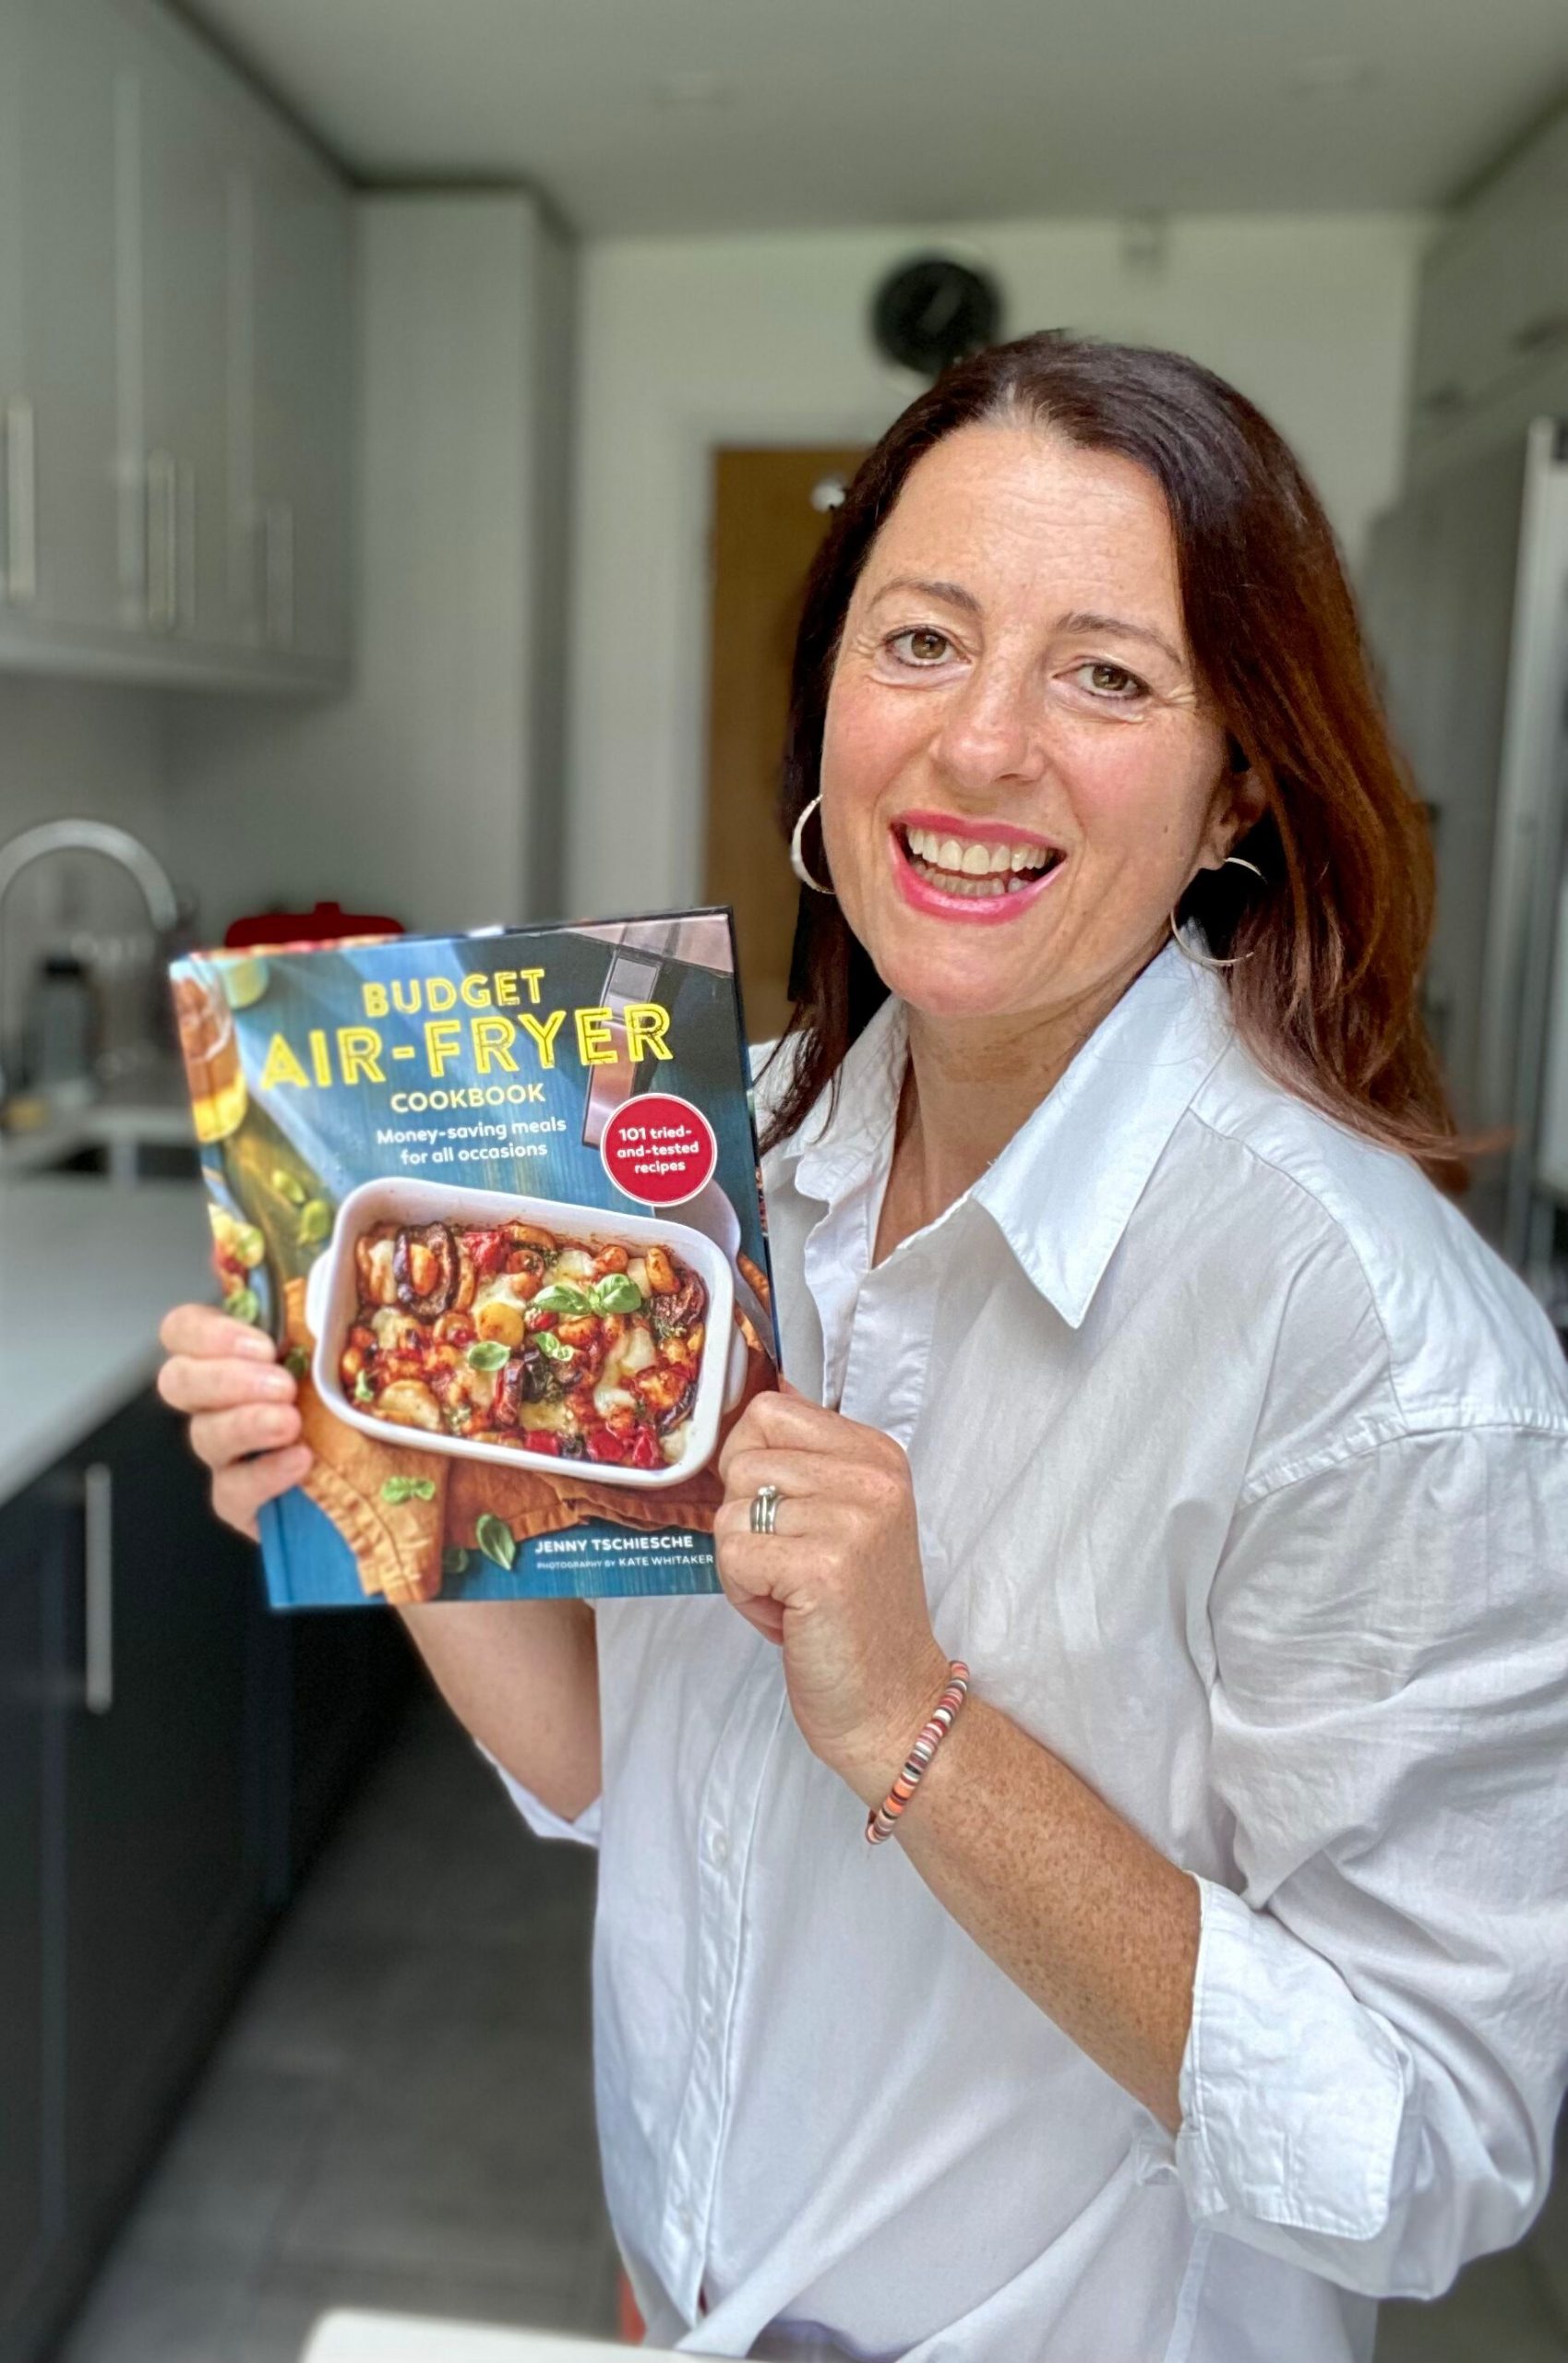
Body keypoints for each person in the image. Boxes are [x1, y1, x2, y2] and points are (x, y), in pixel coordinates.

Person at [158, 333, 1568, 2363]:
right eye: (920, 639)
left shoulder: (1387, 1358)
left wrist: (915, 1715)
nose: (978, 745)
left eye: (1104, 673)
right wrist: (365, 1462)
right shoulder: (739, 1152)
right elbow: (610, 1769)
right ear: (829, 697)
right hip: (681, 2294)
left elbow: (1425, 2139)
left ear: (1237, 778)